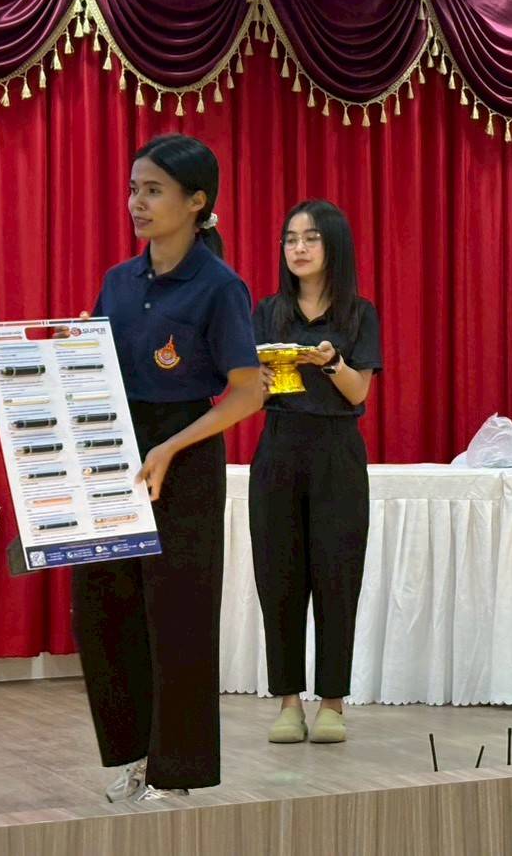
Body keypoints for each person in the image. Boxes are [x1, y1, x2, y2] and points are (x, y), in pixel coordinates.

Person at [72, 134, 263, 804]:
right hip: (117, 450)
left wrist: (172, 447)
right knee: (105, 607)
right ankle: (132, 758)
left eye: (153, 190)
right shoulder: (118, 282)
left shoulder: (220, 287)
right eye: (134, 189)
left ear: (196, 201)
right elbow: (100, 367)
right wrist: (72, 349)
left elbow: (248, 392)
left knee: (178, 617)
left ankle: (176, 775)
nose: (137, 203)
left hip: (185, 454)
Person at [249, 200, 381, 745]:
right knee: (278, 579)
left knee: (336, 578)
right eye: (290, 239)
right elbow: (250, 395)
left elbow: (359, 392)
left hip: (337, 452)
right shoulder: (267, 312)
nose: (298, 248)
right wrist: (256, 380)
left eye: (310, 238)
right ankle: (288, 703)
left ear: (334, 245)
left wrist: (330, 361)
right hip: (278, 448)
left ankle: (332, 703)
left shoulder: (358, 314)